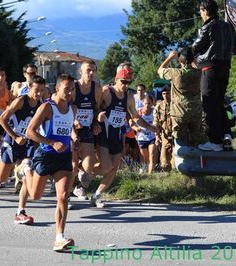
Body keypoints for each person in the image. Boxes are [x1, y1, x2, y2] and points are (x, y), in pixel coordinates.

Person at [24, 74, 77, 251]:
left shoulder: (73, 108)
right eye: (66, 89)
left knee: (62, 196)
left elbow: (67, 131)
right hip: (45, 155)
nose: (69, 93)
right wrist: (51, 142)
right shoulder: (47, 107)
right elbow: (30, 132)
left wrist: (73, 138)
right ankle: (26, 171)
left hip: (63, 157)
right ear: (57, 88)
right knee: (36, 196)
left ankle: (59, 238)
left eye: (72, 89)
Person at [90, 68, 157, 208]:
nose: (126, 85)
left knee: (114, 169)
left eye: (128, 82)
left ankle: (96, 195)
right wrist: (98, 117)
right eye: (123, 81)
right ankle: (84, 172)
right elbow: (94, 107)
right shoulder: (107, 92)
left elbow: (136, 118)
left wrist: (151, 128)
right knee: (106, 167)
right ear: (116, 79)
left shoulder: (129, 97)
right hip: (103, 134)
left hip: (117, 136)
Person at [0, 75, 44, 224]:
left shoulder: (41, 105)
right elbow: (2, 119)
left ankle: (21, 211)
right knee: (1, 178)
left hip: (28, 143)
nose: (38, 93)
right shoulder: (20, 101)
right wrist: (15, 136)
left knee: (26, 171)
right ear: (29, 88)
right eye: (36, 90)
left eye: (42, 91)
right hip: (12, 140)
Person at [192, 0, 235, 152]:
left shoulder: (208, 26)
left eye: (201, 11)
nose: (201, 14)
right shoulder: (228, 26)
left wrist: (194, 59)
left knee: (209, 103)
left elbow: (196, 46)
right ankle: (226, 135)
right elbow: (234, 44)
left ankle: (215, 141)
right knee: (219, 103)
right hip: (225, 67)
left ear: (205, 10)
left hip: (210, 68)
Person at [158, 48, 204, 148]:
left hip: (179, 113)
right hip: (195, 111)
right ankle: (197, 162)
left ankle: (183, 162)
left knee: (180, 143)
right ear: (192, 60)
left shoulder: (175, 73)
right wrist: (193, 60)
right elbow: (197, 66)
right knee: (197, 142)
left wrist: (169, 58)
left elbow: (160, 70)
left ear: (180, 60)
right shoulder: (199, 73)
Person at [71, 59, 102, 200]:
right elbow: (64, 107)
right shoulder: (74, 87)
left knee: (89, 164)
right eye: (88, 70)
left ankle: (79, 188)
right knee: (71, 164)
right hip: (72, 130)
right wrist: (73, 120)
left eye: (93, 70)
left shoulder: (96, 88)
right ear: (80, 71)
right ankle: (66, 193)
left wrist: (96, 122)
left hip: (87, 129)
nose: (91, 73)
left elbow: (96, 108)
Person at [153, 86, 173, 171]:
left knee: (176, 157)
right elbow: (156, 123)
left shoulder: (176, 105)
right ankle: (168, 174)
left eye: (167, 93)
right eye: (164, 94)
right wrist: (157, 136)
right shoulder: (159, 106)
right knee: (164, 160)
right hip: (165, 135)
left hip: (176, 134)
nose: (166, 95)